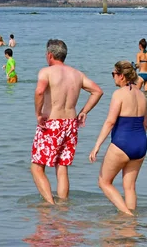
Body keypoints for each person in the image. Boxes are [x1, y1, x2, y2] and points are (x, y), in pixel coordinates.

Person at [31, 39, 103, 205]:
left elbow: (40, 91)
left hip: (52, 123)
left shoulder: (46, 72)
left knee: (37, 167)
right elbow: (97, 91)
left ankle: (50, 204)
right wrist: (83, 112)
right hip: (71, 124)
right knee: (62, 167)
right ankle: (63, 208)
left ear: (50, 55)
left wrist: (38, 114)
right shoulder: (77, 74)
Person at [89, 61, 147, 216]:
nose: (113, 77)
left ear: (122, 76)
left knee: (104, 182)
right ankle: (131, 228)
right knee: (129, 186)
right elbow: (145, 124)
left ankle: (128, 215)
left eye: (114, 74)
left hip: (123, 142)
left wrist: (97, 146)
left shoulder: (119, 94)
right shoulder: (142, 95)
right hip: (141, 143)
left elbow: (110, 122)